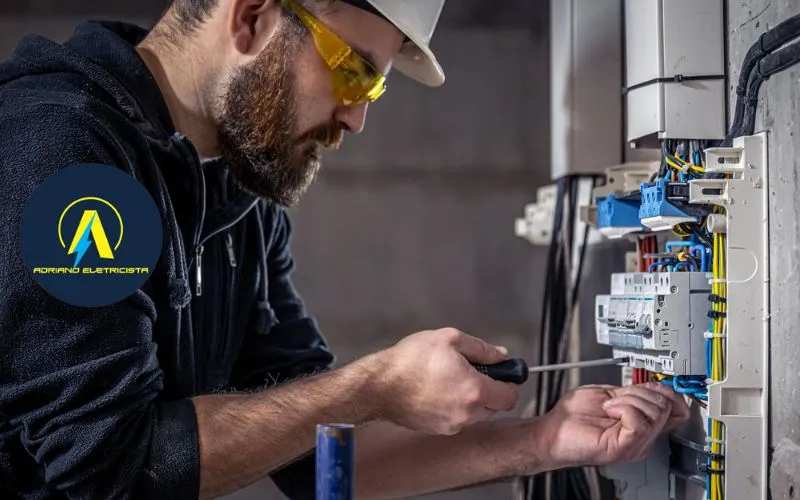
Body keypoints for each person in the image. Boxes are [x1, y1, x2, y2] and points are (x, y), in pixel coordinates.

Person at [0, 0, 689, 498]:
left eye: (374, 88)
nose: (357, 117)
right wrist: (374, 385)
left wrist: (542, 441)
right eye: (353, 72)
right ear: (252, 17)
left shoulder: (238, 196)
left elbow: (315, 452)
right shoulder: (67, 156)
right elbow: (113, 469)